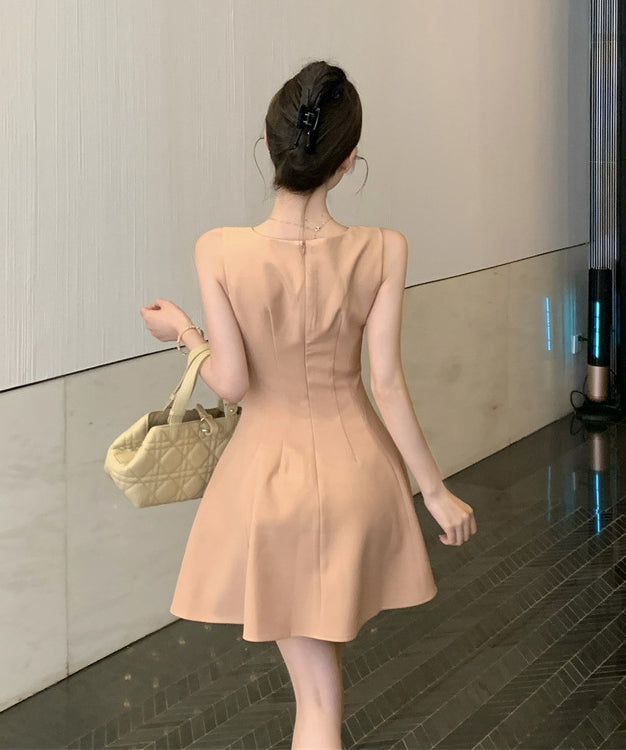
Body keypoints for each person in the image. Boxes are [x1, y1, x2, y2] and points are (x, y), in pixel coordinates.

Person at [141, 59, 477, 750]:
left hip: (269, 485)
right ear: (349, 159)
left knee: (317, 700)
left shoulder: (219, 250)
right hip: (359, 480)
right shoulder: (384, 249)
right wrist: (435, 492)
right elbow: (386, 382)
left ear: (269, 145)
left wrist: (183, 333)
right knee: (323, 689)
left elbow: (233, 382)